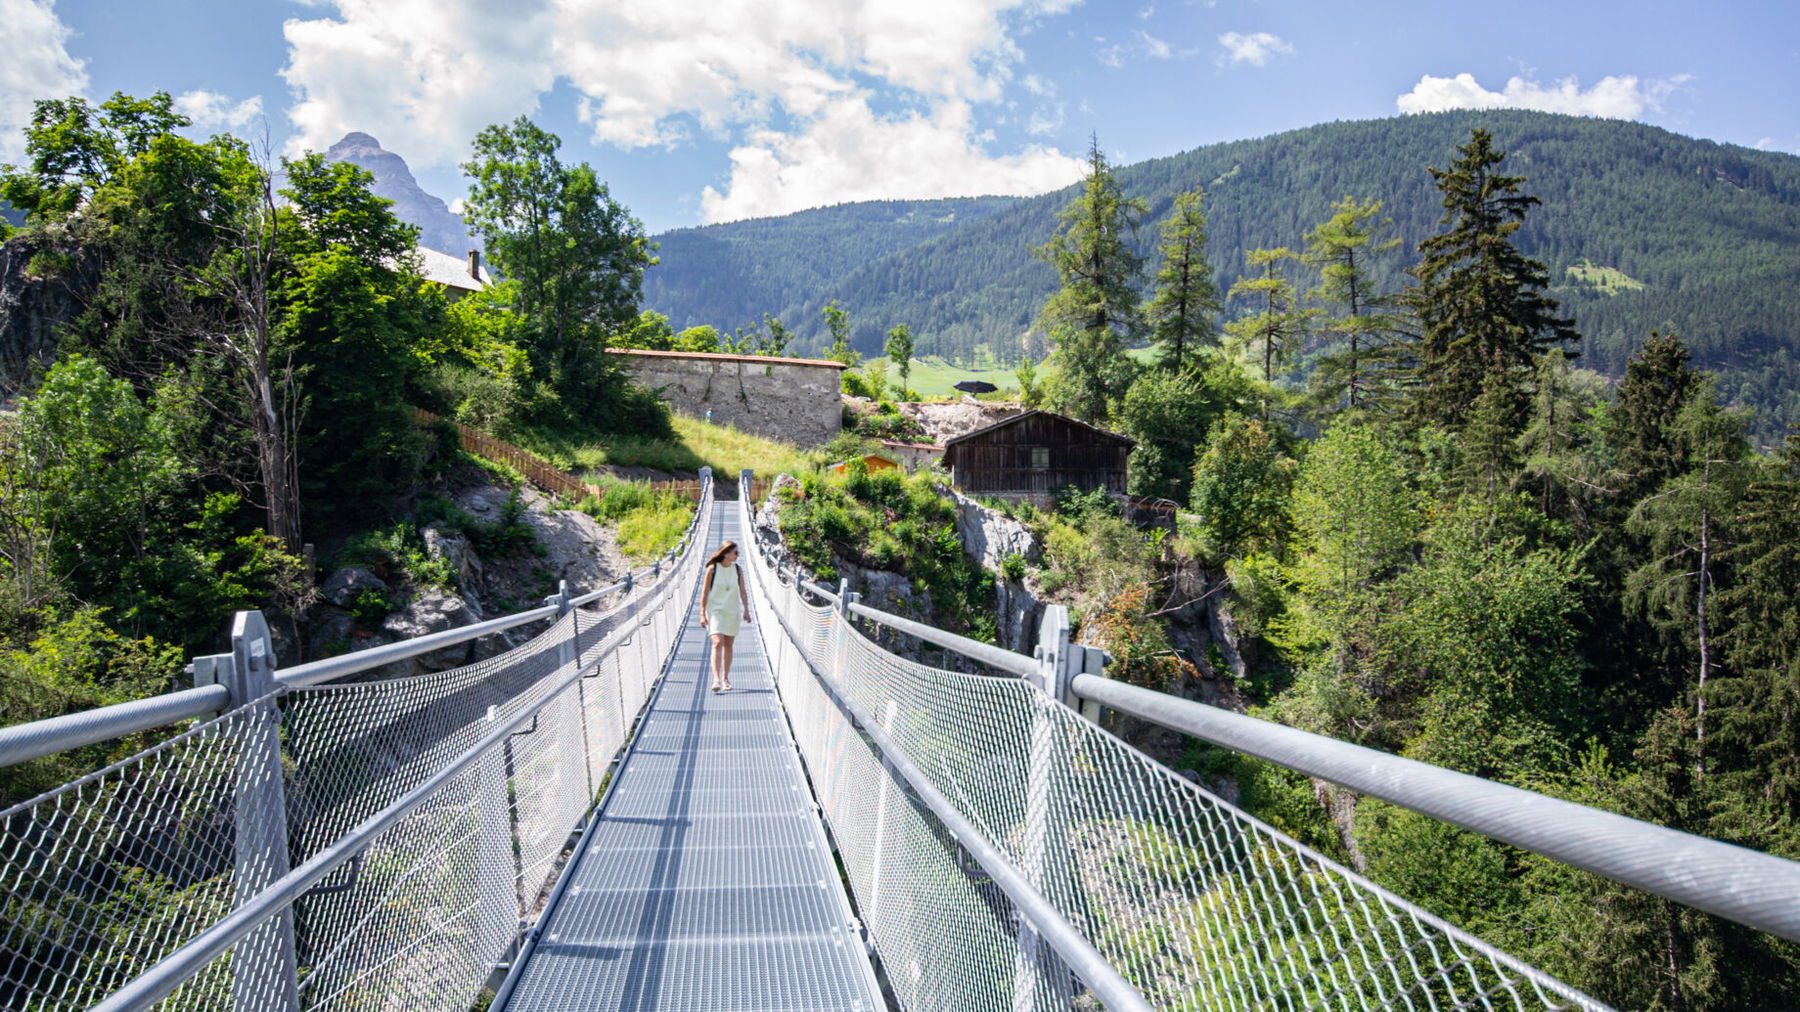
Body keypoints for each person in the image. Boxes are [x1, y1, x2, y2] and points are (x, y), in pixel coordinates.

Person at [700, 540, 750, 692]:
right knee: (717, 642)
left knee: (728, 645)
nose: (737, 555)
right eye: (735, 552)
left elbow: (742, 591)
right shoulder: (712, 569)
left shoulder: (737, 570)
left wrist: (746, 610)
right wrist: (702, 613)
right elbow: (704, 593)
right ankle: (716, 679)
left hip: (732, 611)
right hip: (715, 611)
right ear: (727, 553)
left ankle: (725, 678)